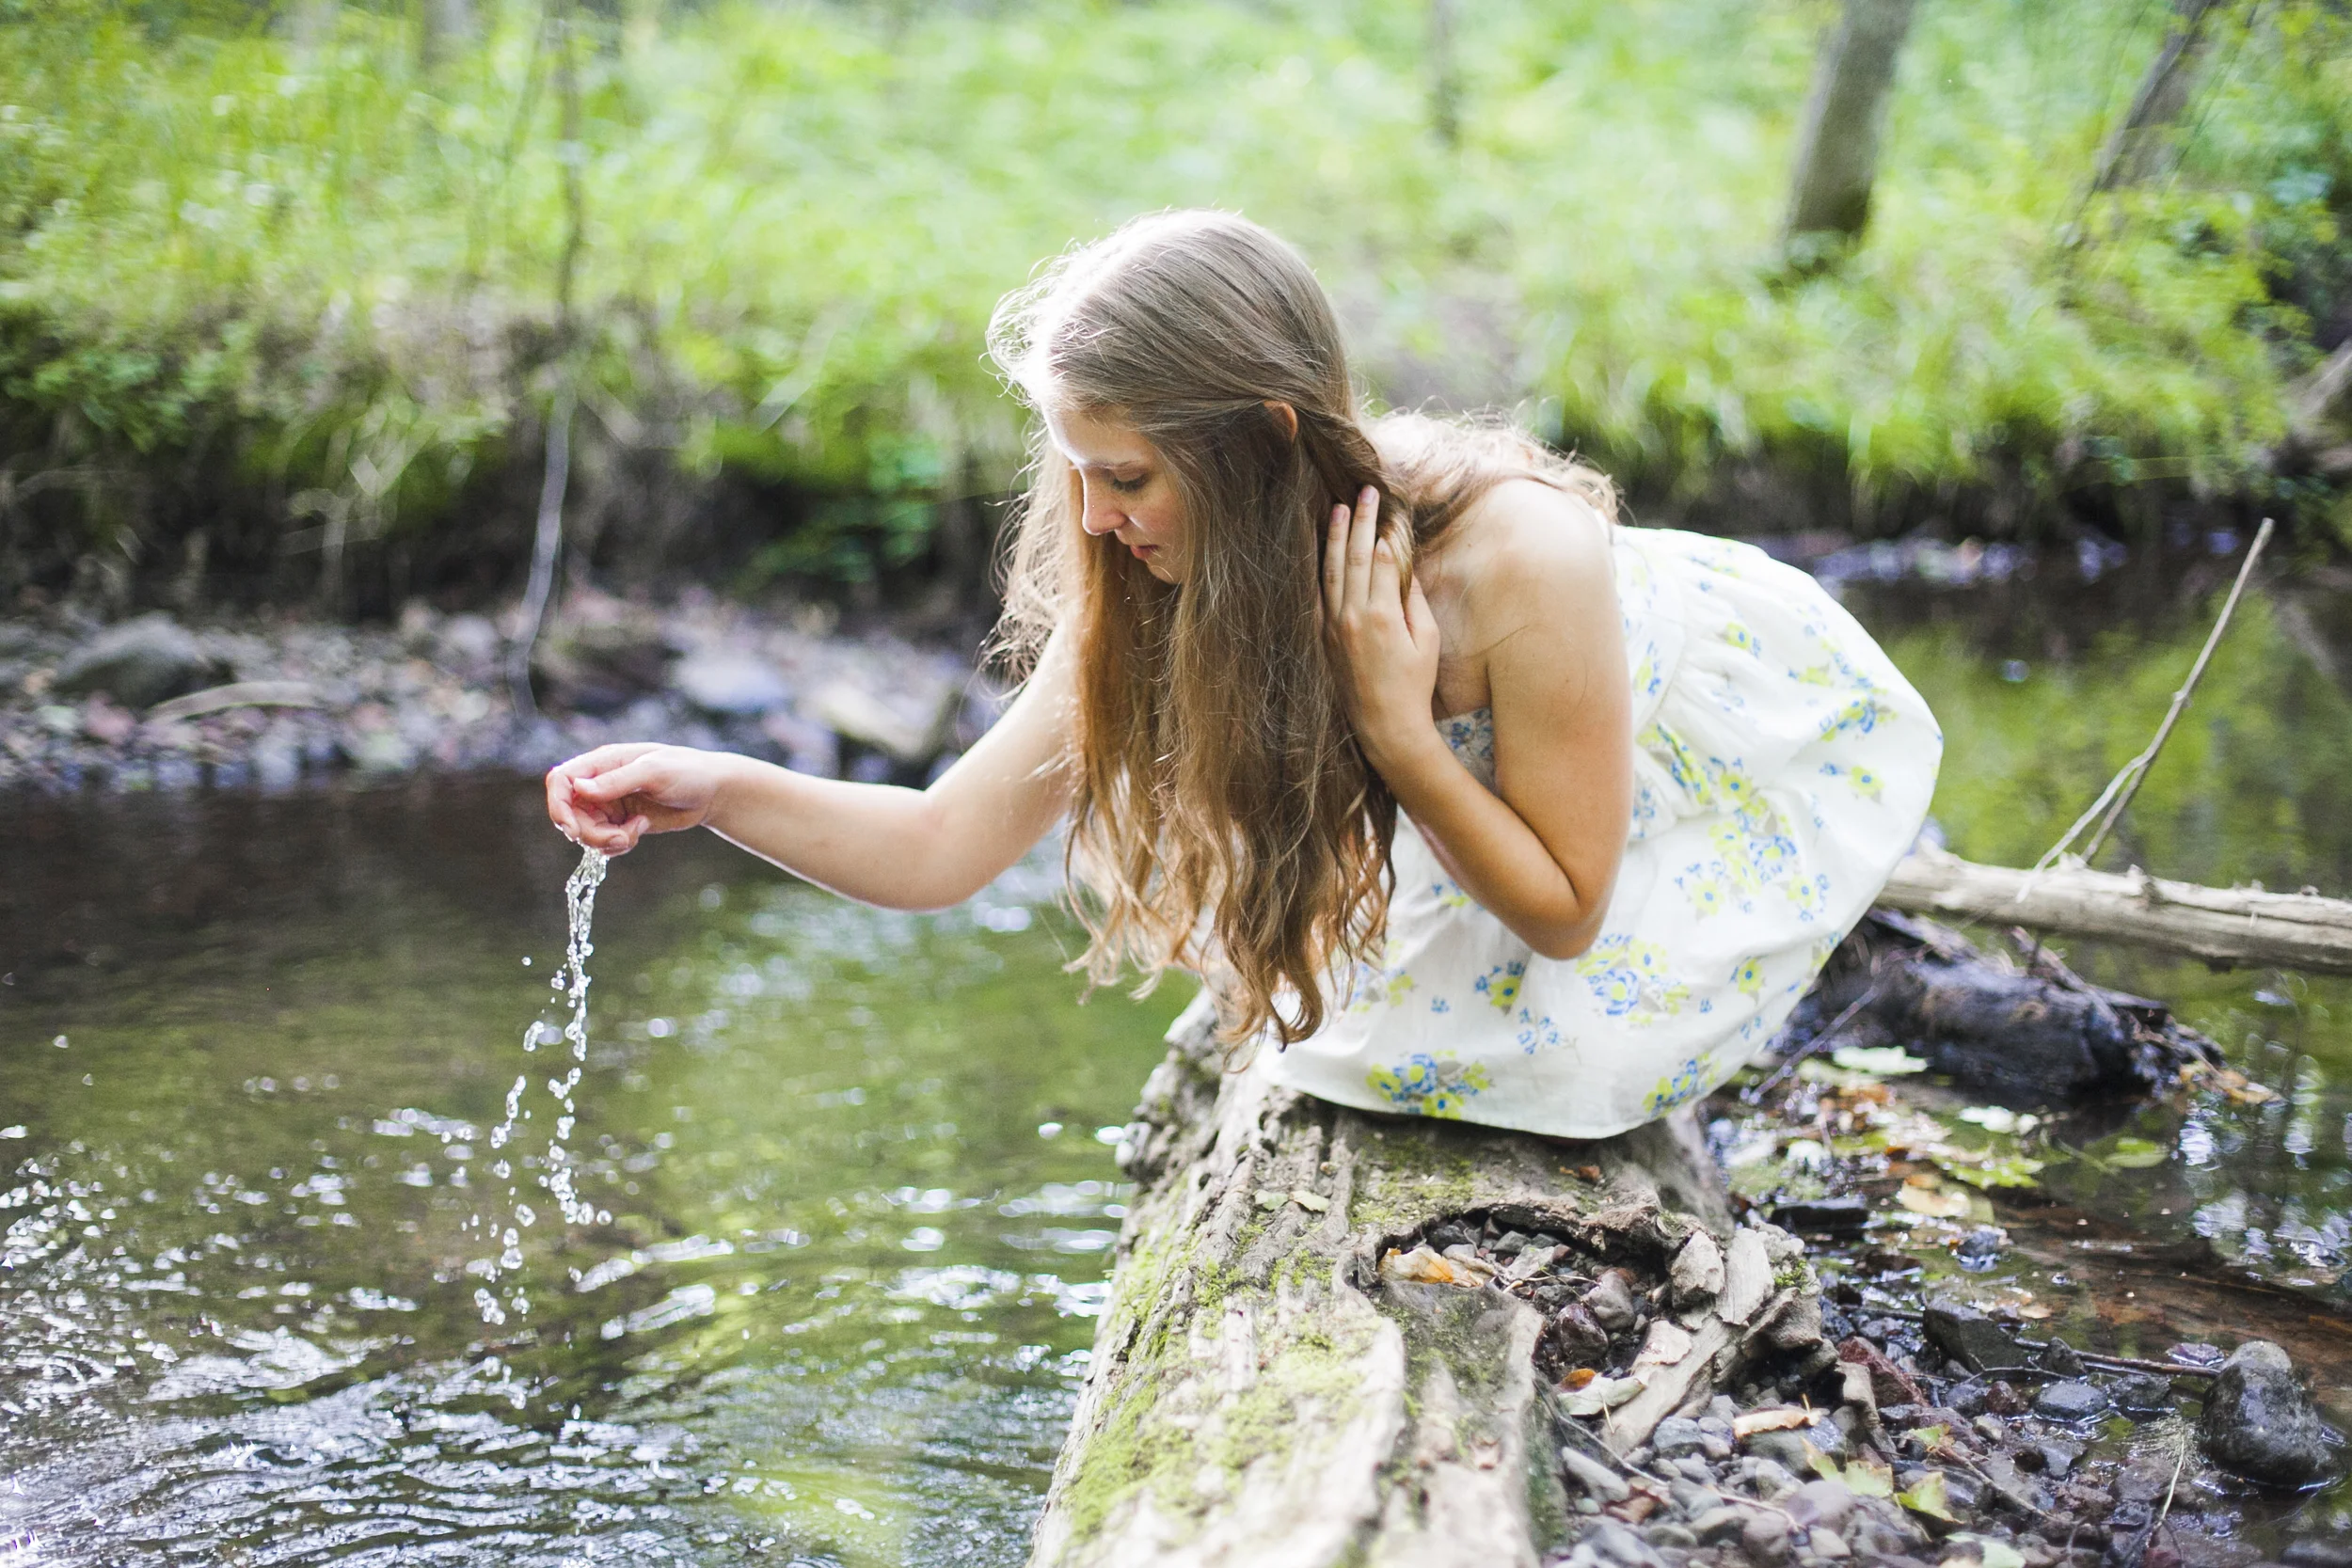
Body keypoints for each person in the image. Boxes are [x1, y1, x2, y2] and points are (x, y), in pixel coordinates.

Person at [545, 210, 1940, 1140]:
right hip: (1500, 809)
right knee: (1365, 1064)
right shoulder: (1154, 571)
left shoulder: (1519, 559)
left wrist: (1397, 728)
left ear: (1266, 439)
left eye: (1128, 478)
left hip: (1699, 765)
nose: (1094, 521)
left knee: (1563, 1072)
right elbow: (936, 846)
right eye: (1080, 476)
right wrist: (712, 785)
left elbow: (1572, 912)